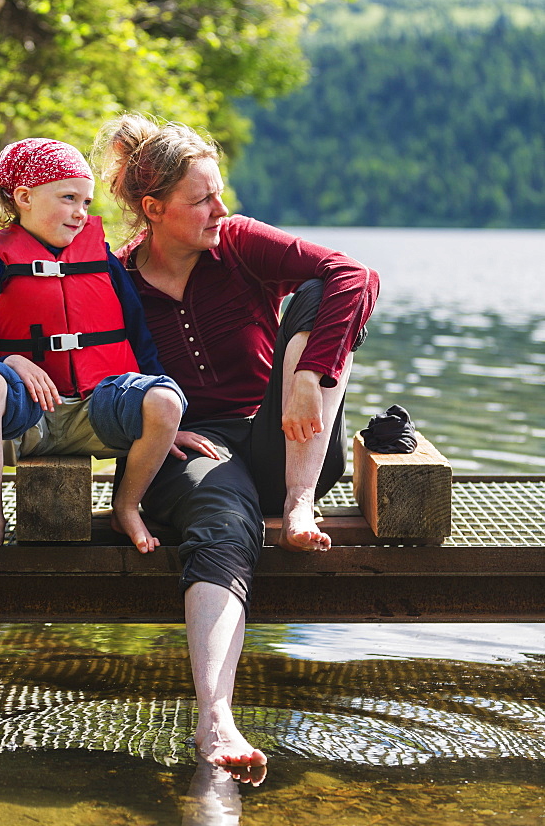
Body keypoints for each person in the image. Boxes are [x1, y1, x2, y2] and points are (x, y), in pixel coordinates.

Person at [94, 113, 380, 774]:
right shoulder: (116, 281)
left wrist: (308, 376)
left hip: (284, 438)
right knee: (221, 524)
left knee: (318, 290)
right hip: (188, 458)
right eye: (202, 199)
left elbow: (353, 277)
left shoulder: (240, 242)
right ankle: (216, 721)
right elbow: (89, 373)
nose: (221, 208)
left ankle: (299, 501)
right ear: (154, 209)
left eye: (220, 191)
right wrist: (158, 419)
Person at [0, 137, 216, 587]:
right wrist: (9, 362)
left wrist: (167, 418)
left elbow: (141, 344)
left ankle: (125, 507)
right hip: (30, 423)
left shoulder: (105, 265)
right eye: (67, 198)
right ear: (24, 198)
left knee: (168, 400)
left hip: (100, 414)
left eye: (86, 201)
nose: (79, 212)